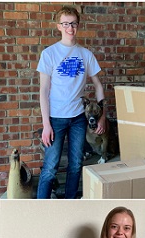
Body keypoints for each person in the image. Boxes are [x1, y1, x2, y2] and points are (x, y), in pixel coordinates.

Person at [36, 6, 106, 199]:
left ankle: (70, 204)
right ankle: (38, 208)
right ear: (59, 26)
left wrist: (102, 117)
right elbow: (43, 91)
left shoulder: (86, 54)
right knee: (51, 167)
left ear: (78, 25)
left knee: (75, 165)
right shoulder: (49, 54)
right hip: (56, 118)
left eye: (73, 23)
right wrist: (46, 125)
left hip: (78, 119)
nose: (70, 28)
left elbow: (98, 86)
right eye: (66, 23)